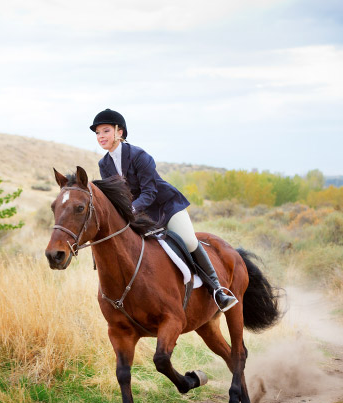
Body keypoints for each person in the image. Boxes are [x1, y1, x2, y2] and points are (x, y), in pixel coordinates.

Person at [90, 108, 237, 312]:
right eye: (97, 133)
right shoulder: (104, 164)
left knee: (188, 240)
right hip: (141, 214)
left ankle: (218, 290)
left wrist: (130, 210)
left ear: (119, 132)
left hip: (166, 207)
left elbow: (150, 193)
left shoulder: (140, 156)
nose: (101, 136)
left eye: (105, 131)